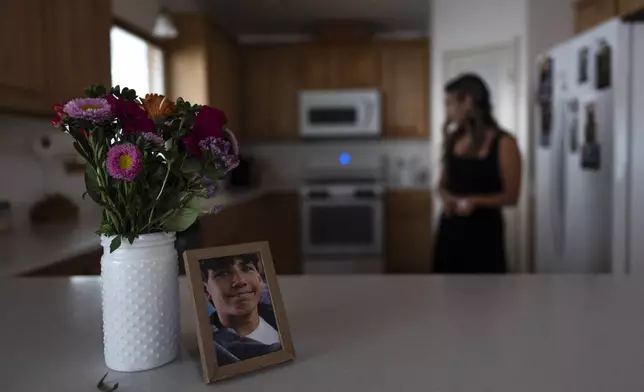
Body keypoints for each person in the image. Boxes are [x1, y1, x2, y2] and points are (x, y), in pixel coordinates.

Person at [434, 73, 522, 274]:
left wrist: (475, 202)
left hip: (484, 235)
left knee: (486, 299)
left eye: (449, 103)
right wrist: (446, 198)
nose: (447, 110)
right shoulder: (454, 139)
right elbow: (442, 183)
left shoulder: (504, 143)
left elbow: (512, 197)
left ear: (468, 102)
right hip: (450, 231)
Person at [201, 253, 281, 366]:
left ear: (259, 278)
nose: (240, 281)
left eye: (247, 269)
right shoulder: (212, 346)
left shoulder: (277, 318)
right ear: (206, 290)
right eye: (223, 273)